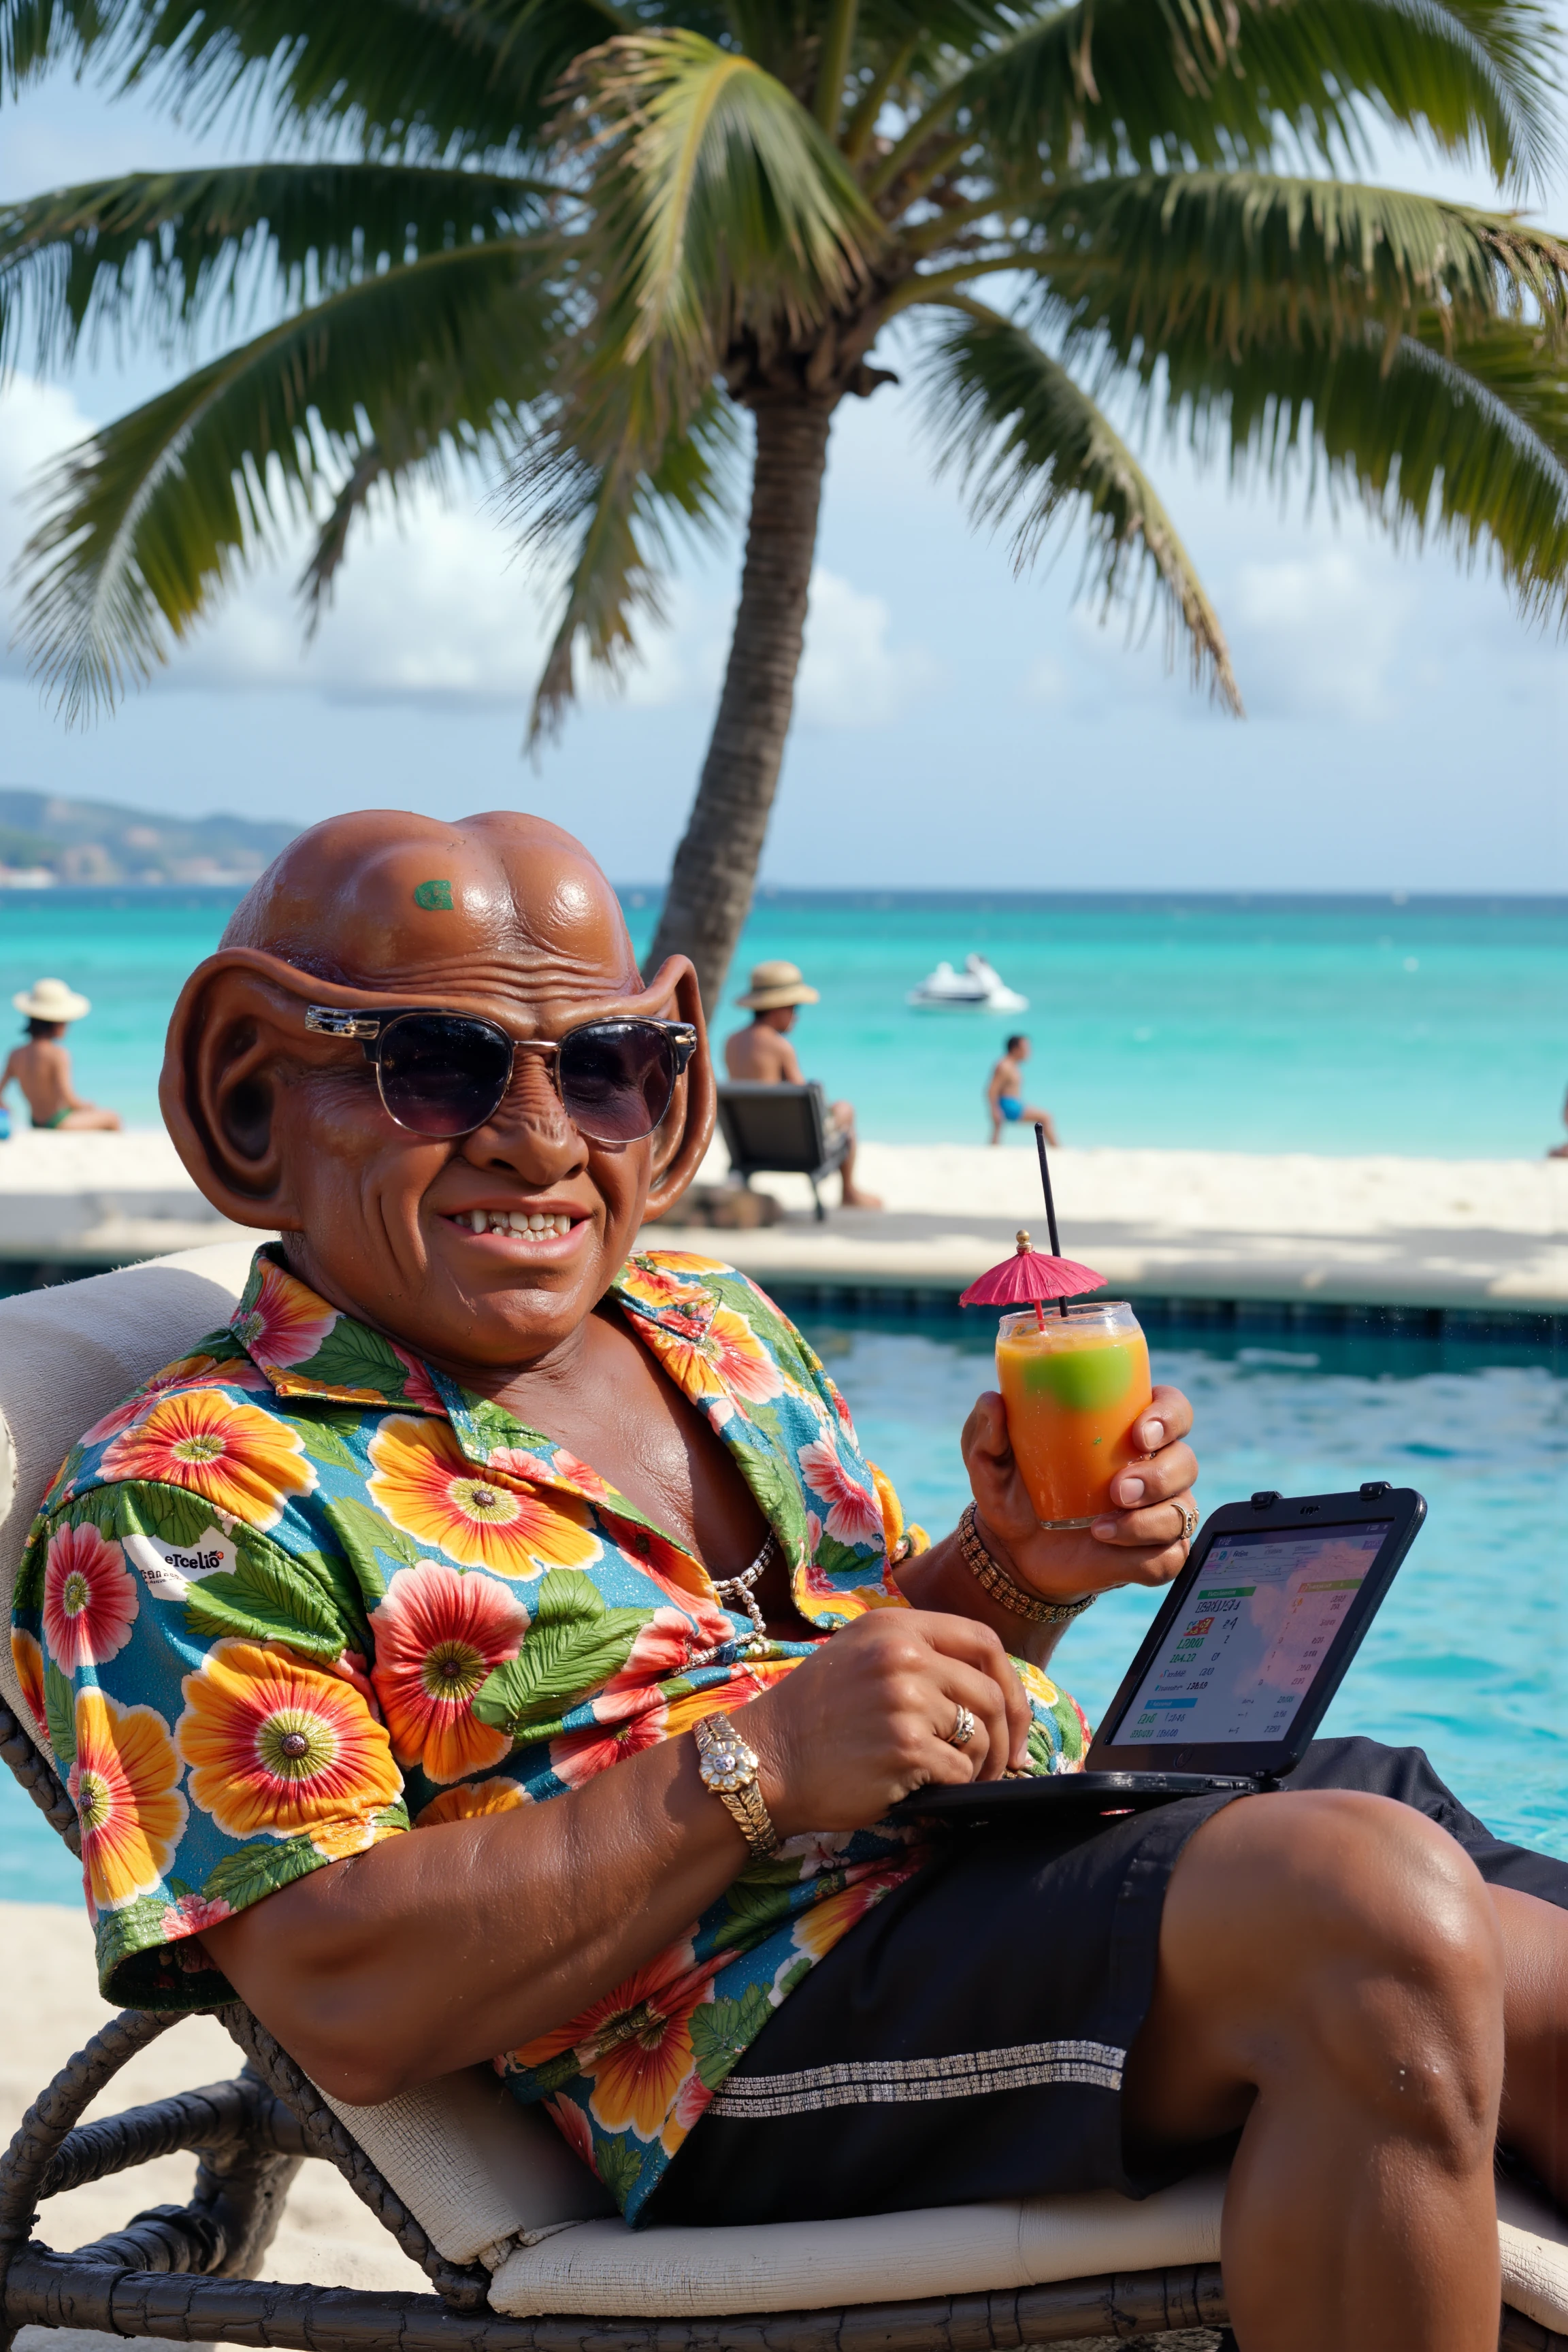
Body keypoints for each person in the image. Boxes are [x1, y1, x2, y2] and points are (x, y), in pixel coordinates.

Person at [12, 808, 1568, 2352]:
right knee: (1363, 1910)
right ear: (247, 1095)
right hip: (728, 2050)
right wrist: (751, 1769)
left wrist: (1012, 1574)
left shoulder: (708, 1322)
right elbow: (341, 1986)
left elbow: (864, 1667)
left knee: (1459, 1902)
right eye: (439, 1064)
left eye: (609, 1066)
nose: (541, 1137)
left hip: (1003, 1867)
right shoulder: (193, 1487)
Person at [723, 958, 881, 1208]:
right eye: (795, 1008)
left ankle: (850, 1193)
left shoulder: (731, 1042)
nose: (796, 1017)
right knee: (845, 1110)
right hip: (788, 1144)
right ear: (777, 1009)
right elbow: (805, 1101)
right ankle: (849, 1192)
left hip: (749, 1145)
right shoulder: (780, 1046)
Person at [1, 978, 122, 1131]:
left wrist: (6, 1108)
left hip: (35, 1123)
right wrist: (87, 1105)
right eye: (67, 1021)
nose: (68, 1027)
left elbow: (1, 1090)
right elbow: (67, 1098)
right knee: (113, 1118)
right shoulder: (58, 1055)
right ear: (56, 1023)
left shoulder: (15, 1054)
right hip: (58, 1122)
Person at [985, 1034, 1057, 1148]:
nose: (1029, 1052)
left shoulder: (1013, 1065)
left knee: (997, 1131)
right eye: (1026, 1048)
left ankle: (992, 1150)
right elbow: (991, 1090)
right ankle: (1057, 1149)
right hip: (1008, 1105)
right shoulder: (1005, 1066)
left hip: (1013, 1103)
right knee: (1045, 1117)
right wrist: (994, 1109)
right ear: (1015, 1049)